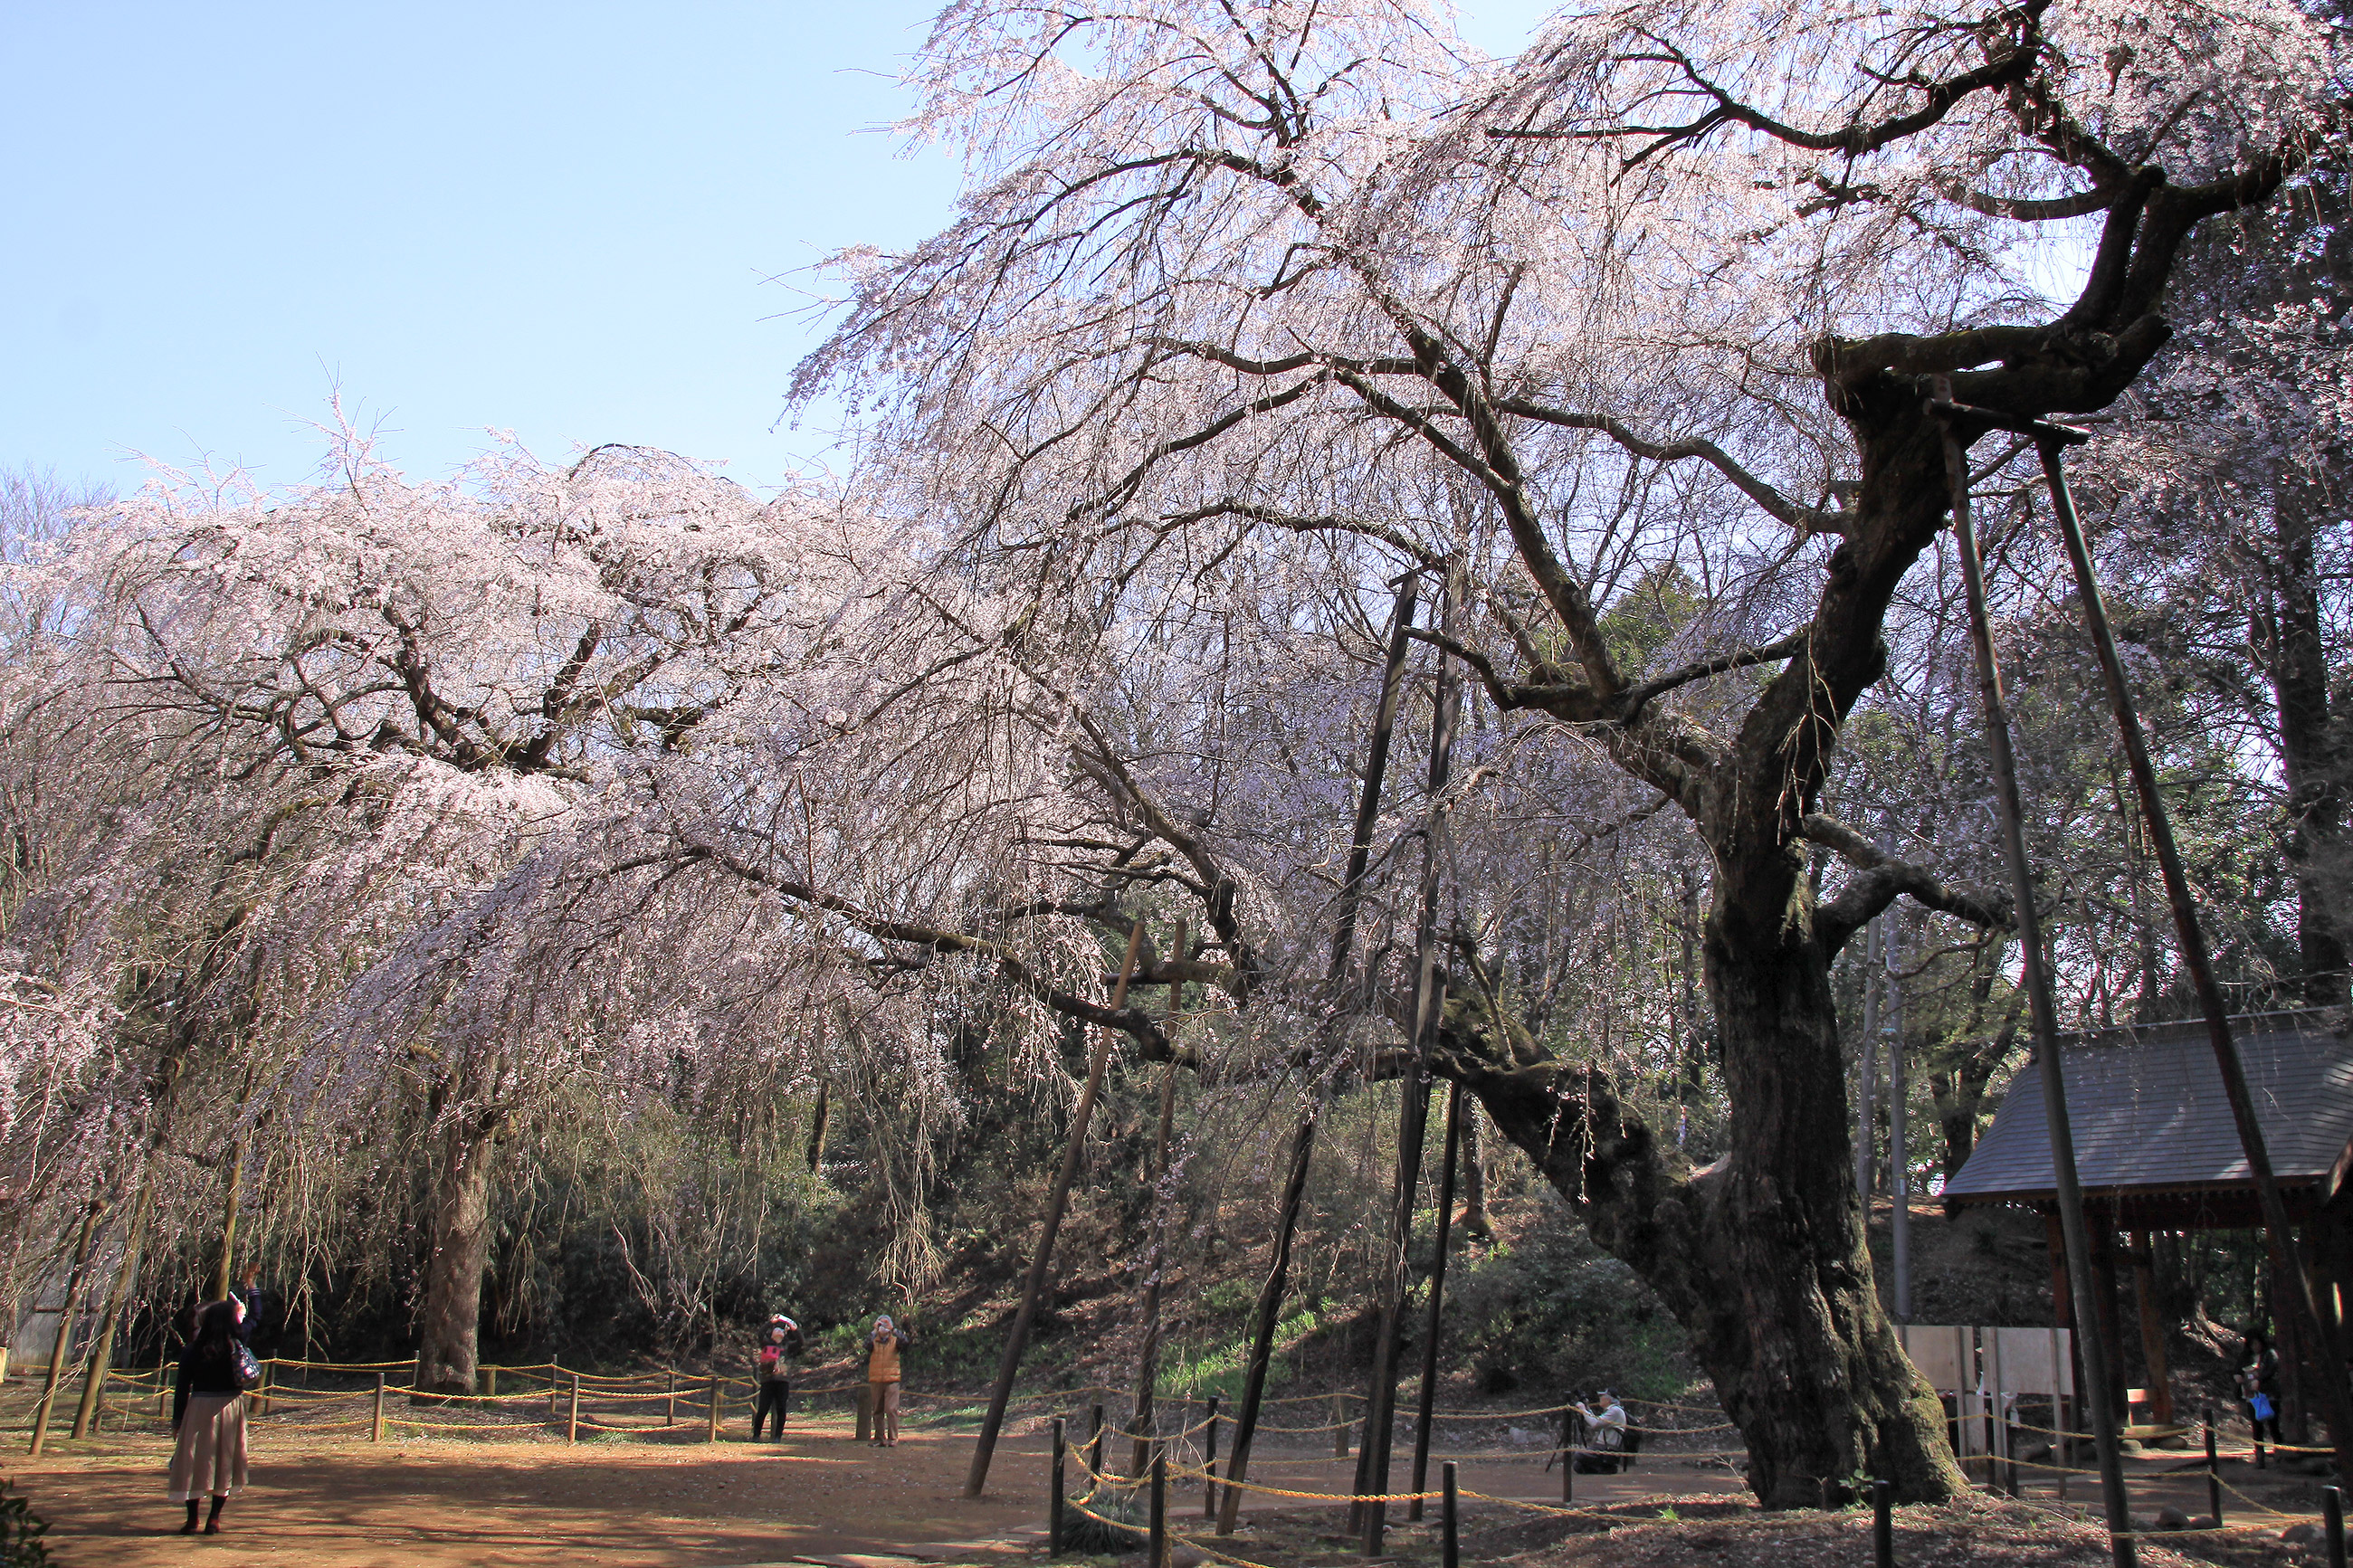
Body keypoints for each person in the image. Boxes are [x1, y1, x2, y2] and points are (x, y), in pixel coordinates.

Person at [168, 1298, 252, 1535]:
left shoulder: (192, 1350)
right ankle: (214, 1518)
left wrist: (177, 1420)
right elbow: (253, 1322)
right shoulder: (236, 1348)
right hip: (230, 1408)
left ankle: (192, 1518)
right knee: (224, 1463)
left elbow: (182, 1388)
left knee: (193, 1462)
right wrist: (247, 1304)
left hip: (199, 1408)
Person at [750, 1314, 804, 1440]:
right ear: (772, 1334)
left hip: (782, 1381)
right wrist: (771, 1323)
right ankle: (756, 1435)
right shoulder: (766, 1344)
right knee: (763, 1409)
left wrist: (795, 1329)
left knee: (781, 1409)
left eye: (781, 1330)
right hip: (767, 1380)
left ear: (784, 1334)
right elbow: (760, 1334)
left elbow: (801, 1342)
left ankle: (778, 1436)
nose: (779, 1330)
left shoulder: (788, 1346)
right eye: (776, 1329)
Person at [865, 1315, 911, 1448]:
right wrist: (875, 1330)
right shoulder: (873, 1341)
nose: (883, 1327)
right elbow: (866, 1345)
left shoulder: (895, 1341)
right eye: (881, 1324)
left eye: (886, 1324)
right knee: (877, 1410)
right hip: (876, 1379)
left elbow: (905, 1342)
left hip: (892, 1379)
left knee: (891, 1409)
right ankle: (880, 1438)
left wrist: (893, 1329)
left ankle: (893, 1438)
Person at [1570, 1389, 1629, 1474]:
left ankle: (1607, 1467)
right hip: (1601, 1447)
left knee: (1578, 1455)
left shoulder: (1615, 1411)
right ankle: (1604, 1468)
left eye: (1602, 1396)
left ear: (1609, 1399)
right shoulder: (1613, 1410)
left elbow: (1595, 1424)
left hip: (1607, 1449)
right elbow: (1597, 1421)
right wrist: (1587, 1409)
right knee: (1577, 1466)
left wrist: (1583, 1410)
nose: (1600, 1398)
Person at [2241, 1331, 2282, 1447]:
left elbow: (2272, 1369)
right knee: (2256, 1427)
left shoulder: (2270, 1354)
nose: (2254, 1347)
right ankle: (2259, 1453)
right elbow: (2239, 1370)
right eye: (2252, 1344)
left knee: (2273, 1425)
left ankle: (2280, 1450)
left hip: (2269, 1394)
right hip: (2252, 1396)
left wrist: (2259, 1380)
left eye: (2256, 1343)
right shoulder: (2247, 1357)